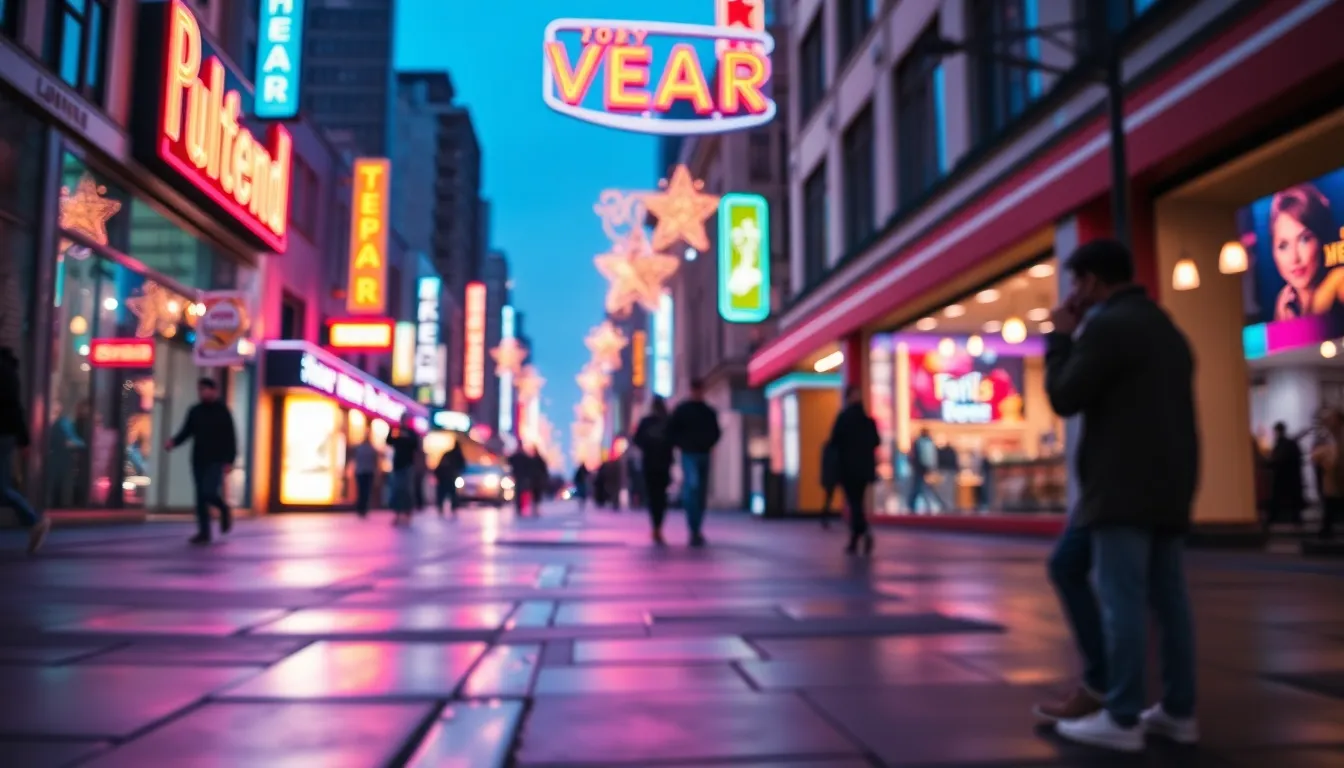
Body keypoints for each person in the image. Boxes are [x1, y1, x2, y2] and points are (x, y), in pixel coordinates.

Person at [1041, 239, 1200, 753]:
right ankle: (1177, 710)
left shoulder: (1107, 327)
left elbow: (1065, 396)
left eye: (1076, 282)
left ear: (1091, 282)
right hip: (1169, 484)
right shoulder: (1165, 328)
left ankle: (1122, 712)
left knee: (1123, 598)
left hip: (1121, 487)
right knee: (1166, 598)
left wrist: (1060, 339)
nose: (1072, 293)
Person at [165, 377, 238, 545]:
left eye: (206, 389)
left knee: (208, 492)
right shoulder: (195, 411)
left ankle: (223, 508)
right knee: (199, 497)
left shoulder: (223, 411)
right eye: (200, 390)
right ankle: (204, 532)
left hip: (217, 460)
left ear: (214, 391)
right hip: (198, 459)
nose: (203, 393)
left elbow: (231, 438)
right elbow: (187, 431)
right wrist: (173, 442)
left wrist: (229, 460)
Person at [0, 347, 49, 553]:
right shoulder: (7, 370)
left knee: (2, 488)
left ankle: (34, 520)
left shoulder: (4, 371)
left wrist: (24, 440)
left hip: (2, 433)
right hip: (6, 432)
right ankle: (33, 520)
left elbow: (12, 407)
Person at [828, 386, 881, 554]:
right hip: (864, 469)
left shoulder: (843, 419)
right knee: (858, 502)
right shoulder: (868, 420)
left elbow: (834, 442)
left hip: (848, 469)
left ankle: (861, 532)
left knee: (854, 503)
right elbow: (876, 441)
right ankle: (856, 537)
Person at [667, 380, 720, 547]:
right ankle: (693, 527)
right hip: (689, 453)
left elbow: (716, 432)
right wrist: (682, 444)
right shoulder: (683, 410)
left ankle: (696, 528)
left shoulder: (707, 411)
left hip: (702, 453)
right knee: (693, 486)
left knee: (700, 491)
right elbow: (672, 430)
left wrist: (707, 444)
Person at [634, 396, 675, 545]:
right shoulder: (667, 422)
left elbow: (637, 440)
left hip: (650, 464)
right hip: (663, 464)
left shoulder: (647, 422)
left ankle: (656, 526)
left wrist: (648, 447)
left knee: (653, 496)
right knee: (661, 496)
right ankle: (658, 526)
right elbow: (673, 440)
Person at [1266, 421, 1306, 528]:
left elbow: (1277, 459)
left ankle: (1273, 518)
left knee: (1277, 498)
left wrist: (1269, 463)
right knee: (1292, 500)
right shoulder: (1290, 443)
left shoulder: (1281, 444)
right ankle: (1295, 519)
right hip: (1291, 476)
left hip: (1282, 476)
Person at [1312, 409, 1344, 540]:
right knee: (1330, 503)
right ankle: (1326, 530)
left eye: (1331, 419)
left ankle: (1327, 530)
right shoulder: (1329, 436)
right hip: (1332, 477)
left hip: (1338, 476)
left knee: (1332, 503)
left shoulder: (1338, 436)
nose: (1329, 422)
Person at [386, 420, 420, 525]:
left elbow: (416, 445)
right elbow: (389, 441)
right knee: (397, 490)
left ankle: (407, 511)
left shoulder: (411, 433)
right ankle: (398, 513)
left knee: (407, 490)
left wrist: (407, 436)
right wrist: (391, 429)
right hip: (397, 466)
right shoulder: (397, 433)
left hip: (407, 466)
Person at [907, 429, 940, 512]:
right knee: (922, 488)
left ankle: (914, 505)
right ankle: (926, 504)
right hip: (924, 469)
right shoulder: (928, 443)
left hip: (920, 469)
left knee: (919, 487)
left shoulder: (919, 443)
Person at [434, 438, 466, 517]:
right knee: (451, 493)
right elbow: (462, 466)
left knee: (443, 493)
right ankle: (451, 508)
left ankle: (442, 508)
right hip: (450, 477)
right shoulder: (457, 455)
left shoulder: (449, 454)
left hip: (445, 477)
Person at [352, 435, 379, 519]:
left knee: (361, 491)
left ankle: (360, 508)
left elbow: (355, 459)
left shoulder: (359, 449)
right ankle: (364, 509)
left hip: (360, 472)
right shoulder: (372, 449)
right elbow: (375, 462)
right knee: (366, 491)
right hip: (369, 472)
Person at [819, 440, 839, 529]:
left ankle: (825, 517)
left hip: (829, 476)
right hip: (835, 475)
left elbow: (824, 464)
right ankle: (825, 517)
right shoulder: (839, 448)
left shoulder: (827, 448)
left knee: (828, 497)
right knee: (829, 497)